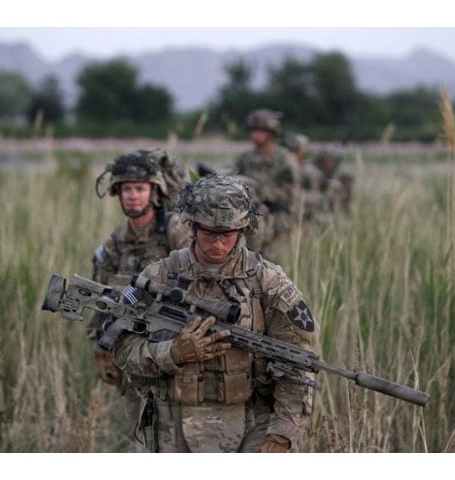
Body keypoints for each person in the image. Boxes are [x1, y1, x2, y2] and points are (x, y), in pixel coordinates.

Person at [110, 174, 318, 453]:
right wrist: (172, 353)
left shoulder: (267, 280)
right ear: (193, 227)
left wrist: (282, 434)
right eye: (209, 233)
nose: (217, 244)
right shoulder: (159, 275)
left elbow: (297, 363)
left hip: (251, 420)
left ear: (242, 230)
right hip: (170, 422)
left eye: (227, 235)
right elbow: (122, 348)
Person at [88, 149, 190, 450]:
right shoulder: (117, 240)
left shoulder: (174, 230)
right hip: (133, 355)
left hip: (174, 350)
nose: (133, 196)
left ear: (155, 192)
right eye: (127, 189)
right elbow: (101, 296)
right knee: (144, 436)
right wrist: (101, 346)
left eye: (140, 189)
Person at [233, 109, 300, 258]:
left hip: (279, 218)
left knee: (277, 262)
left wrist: (264, 193)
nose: (255, 134)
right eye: (253, 130)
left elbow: (292, 194)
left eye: (260, 130)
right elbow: (233, 177)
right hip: (252, 216)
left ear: (271, 132)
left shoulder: (285, 158)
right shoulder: (245, 158)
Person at [281, 132, 326, 223]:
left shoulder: (310, 172)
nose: (290, 153)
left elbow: (317, 197)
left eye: (294, 150)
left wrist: (295, 196)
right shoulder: (281, 169)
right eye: (288, 149)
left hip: (303, 216)